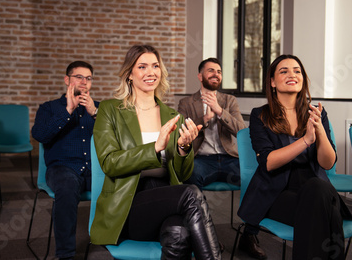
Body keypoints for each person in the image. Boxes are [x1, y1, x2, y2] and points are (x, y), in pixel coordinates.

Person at [91, 45, 222, 260]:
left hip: (168, 197)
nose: (150, 72)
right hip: (128, 203)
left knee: (178, 233)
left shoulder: (172, 115)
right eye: (142, 66)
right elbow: (109, 163)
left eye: (155, 66)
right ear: (129, 74)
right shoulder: (110, 110)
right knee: (191, 193)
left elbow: (182, 173)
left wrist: (183, 147)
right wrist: (154, 147)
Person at [237, 55, 352, 260]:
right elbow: (269, 162)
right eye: (284, 71)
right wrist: (306, 140)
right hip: (276, 194)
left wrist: (320, 132)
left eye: (297, 71)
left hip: (315, 190)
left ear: (303, 79)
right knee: (326, 210)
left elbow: (327, 163)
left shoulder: (316, 112)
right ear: (272, 82)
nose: (292, 74)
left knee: (318, 191)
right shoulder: (260, 115)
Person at [31, 61, 99, 260]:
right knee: (68, 187)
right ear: (67, 80)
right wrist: (67, 111)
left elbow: (118, 138)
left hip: (95, 170)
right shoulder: (49, 108)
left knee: (127, 180)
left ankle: (119, 244)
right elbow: (40, 135)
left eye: (88, 78)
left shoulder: (98, 109)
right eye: (79, 77)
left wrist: (95, 113)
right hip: (63, 169)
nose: (84, 82)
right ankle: (66, 255)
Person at [177, 57, 245, 190]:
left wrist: (220, 111)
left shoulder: (229, 100)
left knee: (256, 176)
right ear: (200, 76)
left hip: (229, 159)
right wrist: (204, 119)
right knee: (190, 177)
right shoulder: (186, 102)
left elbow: (241, 131)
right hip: (201, 159)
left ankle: (248, 212)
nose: (216, 74)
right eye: (211, 71)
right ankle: (201, 211)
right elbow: (180, 133)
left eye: (219, 72)